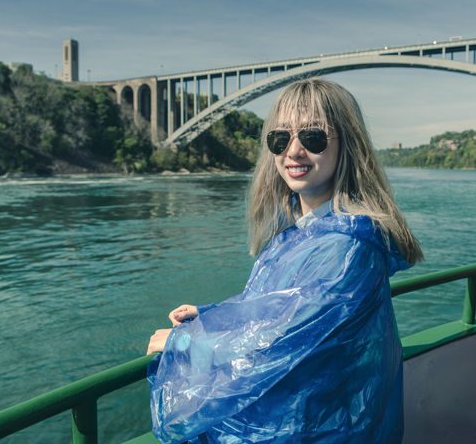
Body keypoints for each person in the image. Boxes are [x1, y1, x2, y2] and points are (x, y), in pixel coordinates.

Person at [147, 78, 423, 443]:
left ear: (348, 144)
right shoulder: (301, 234)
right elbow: (276, 312)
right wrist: (209, 317)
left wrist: (183, 345)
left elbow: (278, 348)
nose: (293, 151)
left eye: (313, 137)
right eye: (280, 139)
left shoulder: (347, 247)